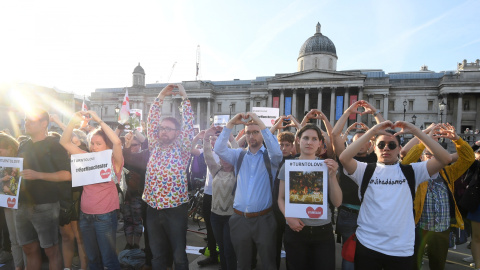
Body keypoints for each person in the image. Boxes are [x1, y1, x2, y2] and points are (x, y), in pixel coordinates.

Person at [339, 121, 452, 270]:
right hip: (367, 244)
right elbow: (344, 158)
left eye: (391, 145)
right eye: (381, 145)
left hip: (401, 248)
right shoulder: (364, 170)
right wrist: (372, 131)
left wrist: (417, 132)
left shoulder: (412, 171)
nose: (386, 148)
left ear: (399, 149)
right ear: (374, 148)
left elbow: (445, 159)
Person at [214, 112, 283, 270]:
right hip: (239, 219)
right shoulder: (239, 155)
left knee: (268, 262)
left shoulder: (270, 157)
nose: (251, 136)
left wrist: (259, 122)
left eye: (255, 132)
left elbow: (277, 152)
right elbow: (218, 148)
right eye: (248, 133)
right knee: (243, 263)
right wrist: (231, 123)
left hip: (264, 219)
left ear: (262, 134)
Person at [406, 124, 475, 270]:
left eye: (436, 154)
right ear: (422, 156)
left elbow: (469, 158)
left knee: (438, 264)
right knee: (413, 264)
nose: (433, 157)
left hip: (442, 228)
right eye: (429, 154)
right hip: (418, 227)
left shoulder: (448, 172)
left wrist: (457, 140)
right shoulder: (414, 172)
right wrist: (423, 142)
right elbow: (404, 162)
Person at [60, 110, 122, 270]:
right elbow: (64, 142)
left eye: (98, 144)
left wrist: (99, 120)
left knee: (108, 259)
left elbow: (117, 142)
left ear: (106, 145)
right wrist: (72, 120)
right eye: (92, 143)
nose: (93, 147)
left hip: (105, 216)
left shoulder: (114, 161)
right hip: (85, 215)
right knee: (92, 259)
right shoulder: (85, 158)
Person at [277, 124, 342, 270]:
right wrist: (288, 217)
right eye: (305, 138)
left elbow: (337, 202)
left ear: (320, 143)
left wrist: (332, 176)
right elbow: (280, 198)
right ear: (298, 140)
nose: (309, 142)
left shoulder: (327, 166)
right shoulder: (288, 166)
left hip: (323, 232)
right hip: (296, 230)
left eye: (314, 139)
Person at [143, 84, 194, 270]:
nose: (163, 131)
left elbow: (189, 124)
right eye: (162, 128)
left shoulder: (182, 150)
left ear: (178, 133)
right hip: (152, 208)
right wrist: (161, 95)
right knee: (157, 255)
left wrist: (184, 95)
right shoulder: (154, 147)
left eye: (168, 129)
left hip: (175, 210)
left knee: (179, 255)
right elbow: (151, 120)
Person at [331, 100, 383, 270]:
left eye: (364, 141)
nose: (360, 144)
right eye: (356, 141)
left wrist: (375, 112)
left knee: (371, 255)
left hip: (372, 213)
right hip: (348, 213)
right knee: (349, 254)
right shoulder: (346, 159)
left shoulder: (377, 160)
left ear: (371, 144)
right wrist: (347, 112)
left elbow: (384, 132)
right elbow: (335, 134)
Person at [16, 108, 71, 270]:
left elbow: (67, 175)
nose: (26, 123)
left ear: (44, 124)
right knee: (28, 248)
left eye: (30, 120)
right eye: (25, 120)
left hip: (46, 204)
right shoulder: (23, 145)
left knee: (51, 250)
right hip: (22, 204)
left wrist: (38, 175)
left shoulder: (55, 145)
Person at [50, 114, 88, 270]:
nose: (70, 142)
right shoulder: (61, 157)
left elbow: (71, 136)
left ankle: (83, 267)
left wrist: (60, 122)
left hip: (79, 198)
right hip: (62, 197)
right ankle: (67, 267)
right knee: (66, 237)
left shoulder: (86, 155)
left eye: (74, 140)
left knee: (80, 238)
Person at [203, 126, 238, 270]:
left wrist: (230, 137)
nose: (223, 159)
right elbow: (207, 155)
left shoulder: (238, 171)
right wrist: (206, 137)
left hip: (231, 217)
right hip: (215, 216)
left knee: (229, 249)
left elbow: (238, 151)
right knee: (222, 248)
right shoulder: (215, 170)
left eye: (227, 156)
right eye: (221, 157)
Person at [0, 133, 24, 270]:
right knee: (14, 240)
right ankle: (18, 266)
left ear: (10, 148)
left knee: (24, 241)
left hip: (22, 204)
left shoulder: (22, 159)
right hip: (7, 204)